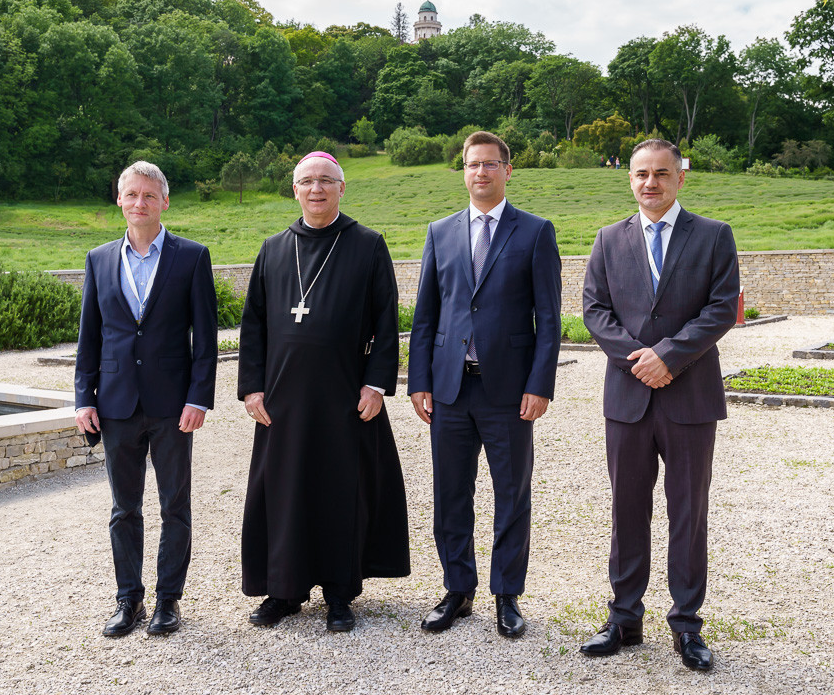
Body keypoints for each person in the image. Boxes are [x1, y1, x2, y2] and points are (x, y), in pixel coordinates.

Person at [579, 138, 738, 670]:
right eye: (641, 174)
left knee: (688, 513)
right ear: (630, 179)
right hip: (627, 399)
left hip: (690, 398)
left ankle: (686, 625)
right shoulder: (608, 239)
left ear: (680, 177)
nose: (651, 183)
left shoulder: (713, 235)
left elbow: (721, 309)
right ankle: (624, 619)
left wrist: (668, 357)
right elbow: (595, 311)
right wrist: (638, 361)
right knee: (627, 510)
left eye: (661, 173)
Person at [238, 151, 409, 633]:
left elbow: (387, 321)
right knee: (284, 492)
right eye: (307, 181)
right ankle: (283, 590)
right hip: (282, 401)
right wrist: (251, 389)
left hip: (344, 397)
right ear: (295, 190)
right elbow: (253, 325)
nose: (316, 189)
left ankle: (339, 592)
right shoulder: (273, 249)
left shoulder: (367, 245)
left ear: (341, 188)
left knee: (340, 492)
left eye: (326, 181)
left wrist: (376, 384)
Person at [408, 131, 562, 639]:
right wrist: (419, 380)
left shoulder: (535, 232)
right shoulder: (440, 232)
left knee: (511, 495)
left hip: (509, 392)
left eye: (491, 164)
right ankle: (458, 590)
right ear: (464, 171)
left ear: (507, 170)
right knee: (450, 493)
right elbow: (426, 314)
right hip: (450, 390)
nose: (481, 172)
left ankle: (506, 595)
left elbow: (548, 317)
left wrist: (539, 384)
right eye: (473, 164)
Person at [75, 161, 218, 638]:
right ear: (119, 200)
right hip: (115, 404)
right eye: (132, 194)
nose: (140, 203)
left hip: (173, 405)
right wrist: (83, 398)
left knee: (174, 506)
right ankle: (128, 599)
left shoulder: (192, 257)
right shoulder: (98, 259)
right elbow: (89, 337)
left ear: (164, 202)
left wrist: (199, 398)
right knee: (124, 509)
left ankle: (167, 601)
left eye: (149, 195)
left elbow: (206, 339)